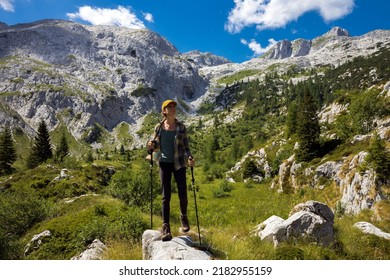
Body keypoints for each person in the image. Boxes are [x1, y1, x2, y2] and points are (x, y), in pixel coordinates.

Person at [147, 100, 195, 241]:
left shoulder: (181, 127)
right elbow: (155, 145)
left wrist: (190, 157)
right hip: (164, 163)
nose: (173, 109)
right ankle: (166, 226)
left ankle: (183, 217)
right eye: (169, 107)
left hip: (179, 163)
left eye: (174, 107)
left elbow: (186, 146)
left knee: (182, 192)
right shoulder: (159, 127)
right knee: (165, 195)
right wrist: (151, 145)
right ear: (164, 111)